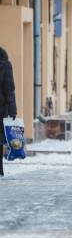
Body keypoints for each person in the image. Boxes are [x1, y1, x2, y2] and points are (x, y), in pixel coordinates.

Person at [0, 47, 17, 177]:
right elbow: (9, 88)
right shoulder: (5, 63)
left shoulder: (5, 63)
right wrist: (12, 109)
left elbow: (9, 88)